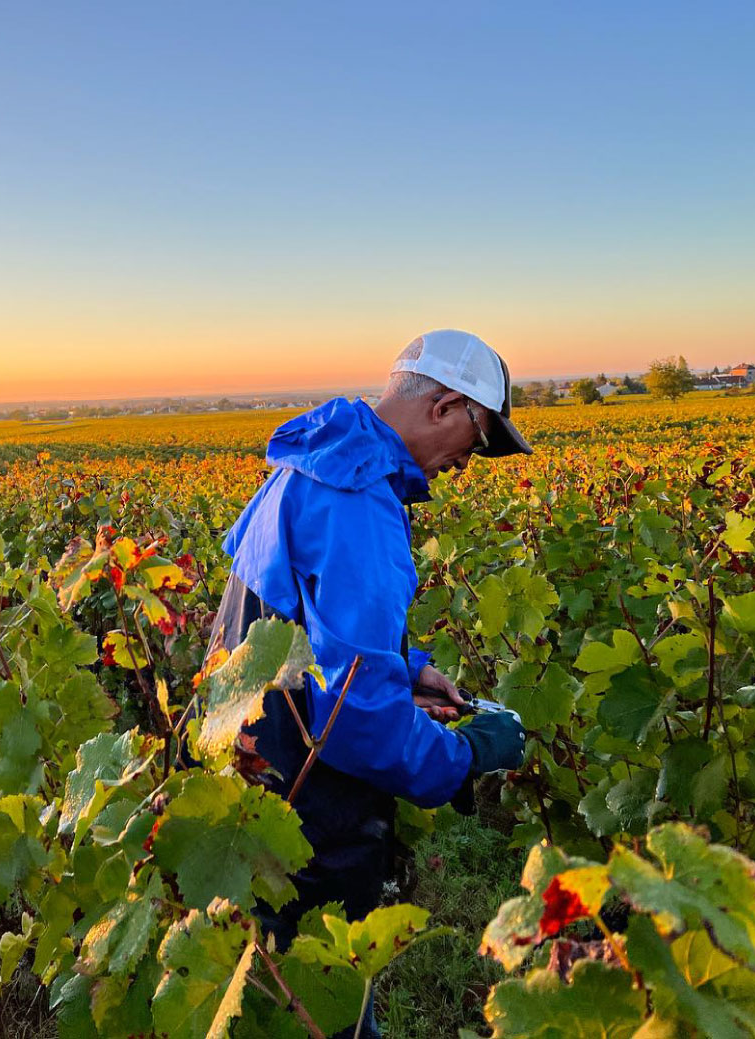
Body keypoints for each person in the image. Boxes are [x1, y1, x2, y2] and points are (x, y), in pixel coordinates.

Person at [212, 329, 532, 1037]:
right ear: (447, 405)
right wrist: (470, 752)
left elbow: (288, 621)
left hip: (252, 765)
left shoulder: (313, 462)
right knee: (326, 996)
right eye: (478, 443)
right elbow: (362, 720)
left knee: (269, 983)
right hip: (309, 798)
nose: (466, 465)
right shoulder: (362, 503)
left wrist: (406, 667)